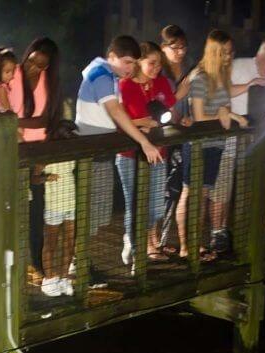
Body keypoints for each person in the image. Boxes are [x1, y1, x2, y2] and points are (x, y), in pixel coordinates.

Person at [76, 35, 162, 286]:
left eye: (134, 62)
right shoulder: (102, 74)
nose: (130, 67)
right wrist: (144, 142)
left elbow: (117, 116)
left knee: (98, 213)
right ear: (112, 56)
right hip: (91, 152)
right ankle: (79, 264)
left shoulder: (110, 76)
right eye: (126, 61)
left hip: (101, 150)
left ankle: (81, 262)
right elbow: (115, 111)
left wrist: (141, 127)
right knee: (90, 212)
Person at [176, 30, 254, 261]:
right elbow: (199, 117)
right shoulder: (200, 77)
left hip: (216, 145)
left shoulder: (219, 75)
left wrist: (249, 85)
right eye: (225, 53)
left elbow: (225, 93)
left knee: (203, 194)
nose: (230, 57)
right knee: (191, 194)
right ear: (215, 52)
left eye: (231, 52)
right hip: (199, 145)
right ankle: (185, 246)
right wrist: (232, 116)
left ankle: (195, 244)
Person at [115, 42, 176, 267]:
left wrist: (176, 118)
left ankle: (135, 241)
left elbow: (169, 111)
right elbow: (121, 121)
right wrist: (144, 122)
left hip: (158, 152)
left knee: (156, 206)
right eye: (152, 63)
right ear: (139, 61)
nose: (157, 68)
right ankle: (135, 250)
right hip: (130, 154)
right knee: (134, 204)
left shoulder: (161, 83)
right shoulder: (124, 85)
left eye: (160, 64)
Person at [8, 38, 62, 283]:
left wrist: (12, 122)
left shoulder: (49, 83)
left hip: (37, 152)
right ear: (27, 55)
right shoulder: (12, 73)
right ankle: (8, 267)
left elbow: (43, 121)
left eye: (40, 66)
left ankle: (37, 264)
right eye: (31, 61)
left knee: (36, 213)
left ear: (48, 66)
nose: (33, 69)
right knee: (11, 212)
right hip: (11, 152)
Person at [230, 39, 265, 239]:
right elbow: (220, 94)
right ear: (258, 57)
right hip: (240, 140)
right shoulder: (238, 66)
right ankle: (240, 231)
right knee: (241, 186)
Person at [159, 25, 194, 253]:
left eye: (183, 47)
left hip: (182, 137)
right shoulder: (160, 72)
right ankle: (155, 242)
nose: (180, 52)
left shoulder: (186, 71)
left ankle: (164, 241)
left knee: (176, 189)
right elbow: (161, 106)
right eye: (175, 47)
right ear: (164, 47)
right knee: (162, 190)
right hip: (164, 138)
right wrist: (178, 110)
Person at [38, 120, 78, 297]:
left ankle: (64, 278)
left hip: (71, 202)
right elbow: (34, 178)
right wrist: (46, 178)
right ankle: (49, 278)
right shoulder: (45, 154)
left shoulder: (72, 151)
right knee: (51, 243)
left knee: (70, 243)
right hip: (54, 204)